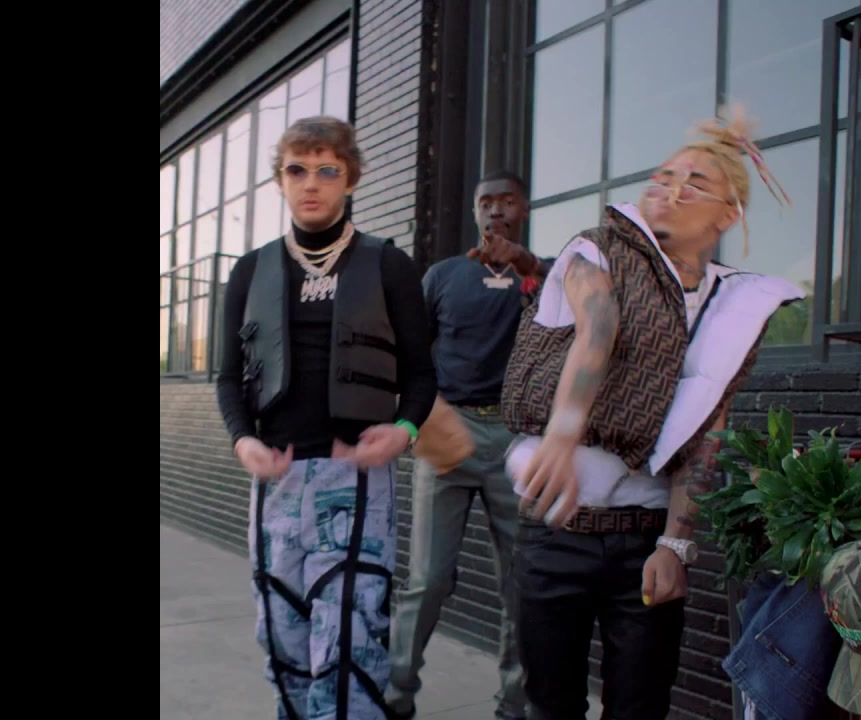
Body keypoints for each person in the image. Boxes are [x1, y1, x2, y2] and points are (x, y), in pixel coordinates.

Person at [500, 106, 805, 720]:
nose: (671, 188)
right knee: (548, 706)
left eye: (695, 182)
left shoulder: (730, 306)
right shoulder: (594, 250)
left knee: (641, 707)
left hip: (643, 540)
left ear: (727, 215)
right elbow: (599, 323)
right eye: (664, 176)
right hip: (555, 531)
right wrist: (562, 433)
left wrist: (675, 544)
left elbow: (708, 426)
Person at [215, 116, 438, 720]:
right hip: (277, 483)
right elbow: (228, 378)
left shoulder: (389, 265)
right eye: (297, 170)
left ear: (351, 179)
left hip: (357, 483)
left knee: (351, 650)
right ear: (280, 180)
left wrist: (405, 430)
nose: (310, 183)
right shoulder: (250, 270)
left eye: (327, 170)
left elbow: (421, 375)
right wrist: (241, 442)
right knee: (283, 644)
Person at [385, 170, 551, 720]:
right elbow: (409, 351)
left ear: (523, 210)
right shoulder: (444, 275)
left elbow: (581, 313)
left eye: (507, 202)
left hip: (515, 440)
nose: (496, 211)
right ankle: (395, 698)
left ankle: (512, 706)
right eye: (486, 202)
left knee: (520, 585)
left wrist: (527, 266)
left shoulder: (542, 276)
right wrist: (421, 418)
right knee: (427, 579)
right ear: (476, 211)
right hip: (448, 429)